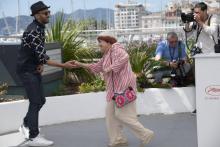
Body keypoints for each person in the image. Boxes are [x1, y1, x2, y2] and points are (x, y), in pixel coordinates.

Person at [72, 31, 154, 147]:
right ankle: (118, 140)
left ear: (109, 42)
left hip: (124, 89)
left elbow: (125, 57)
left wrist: (109, 68)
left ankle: (145, 134)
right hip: (113, 92)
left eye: (101, 43)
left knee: (123, 115)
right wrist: (79, 64)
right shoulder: (107, 55)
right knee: (110, 115)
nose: (99, 45)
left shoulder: (116, 49)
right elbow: (96, 67)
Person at [16, 1, 75, 146]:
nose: (49, 15)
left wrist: (40, 63)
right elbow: (43, 56)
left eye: (49, 12)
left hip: (33, 68)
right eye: (45, 13)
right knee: (36, 101)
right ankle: (33, 137)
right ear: (37, 15)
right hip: (27, 70)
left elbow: (38, 52)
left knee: (41, 100)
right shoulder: (34, 31)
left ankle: (25, 125)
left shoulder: (40, 28)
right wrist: (64, 65)